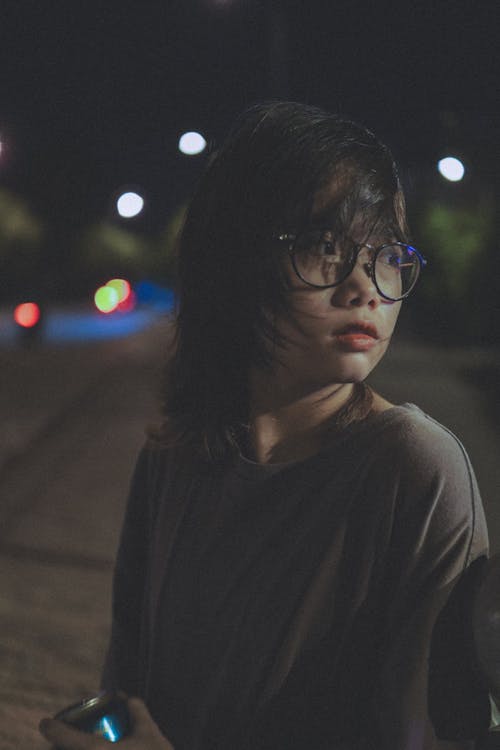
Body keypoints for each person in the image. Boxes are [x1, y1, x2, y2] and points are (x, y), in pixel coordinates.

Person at [39, 101, 491, 749]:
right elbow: (128, 691)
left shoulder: (416, 470)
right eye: (326, 246)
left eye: (388, 255)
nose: (365, 285)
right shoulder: (175, 457)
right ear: (236, 257)